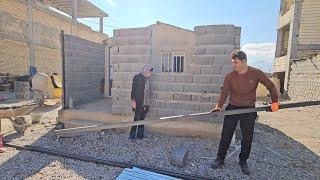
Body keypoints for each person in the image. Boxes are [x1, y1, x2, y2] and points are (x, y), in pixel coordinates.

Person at [210, 50, 279, 175]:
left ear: (244, 61)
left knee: (247, 138)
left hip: (249, 109)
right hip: (233, 108)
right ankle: (220, 158)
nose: (234, 65)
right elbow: (224, 93)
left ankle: (243, 161)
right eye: (233, 63)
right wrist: (219, 107)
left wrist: (275, 101)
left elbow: (271, 85)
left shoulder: (256, 73)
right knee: (226, 135)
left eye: (235, 62)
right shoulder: (230, 76)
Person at [130, 65, 153, 140]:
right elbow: (133, 90)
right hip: (138, 102)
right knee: (137, 118)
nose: (151, 73)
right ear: (146, 71)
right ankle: (132, 136)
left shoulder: (147, 79)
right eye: (150, 72)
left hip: (145, 103)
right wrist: (133, 101)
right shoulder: (137, 77)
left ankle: (140, 135)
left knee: (142, 119)